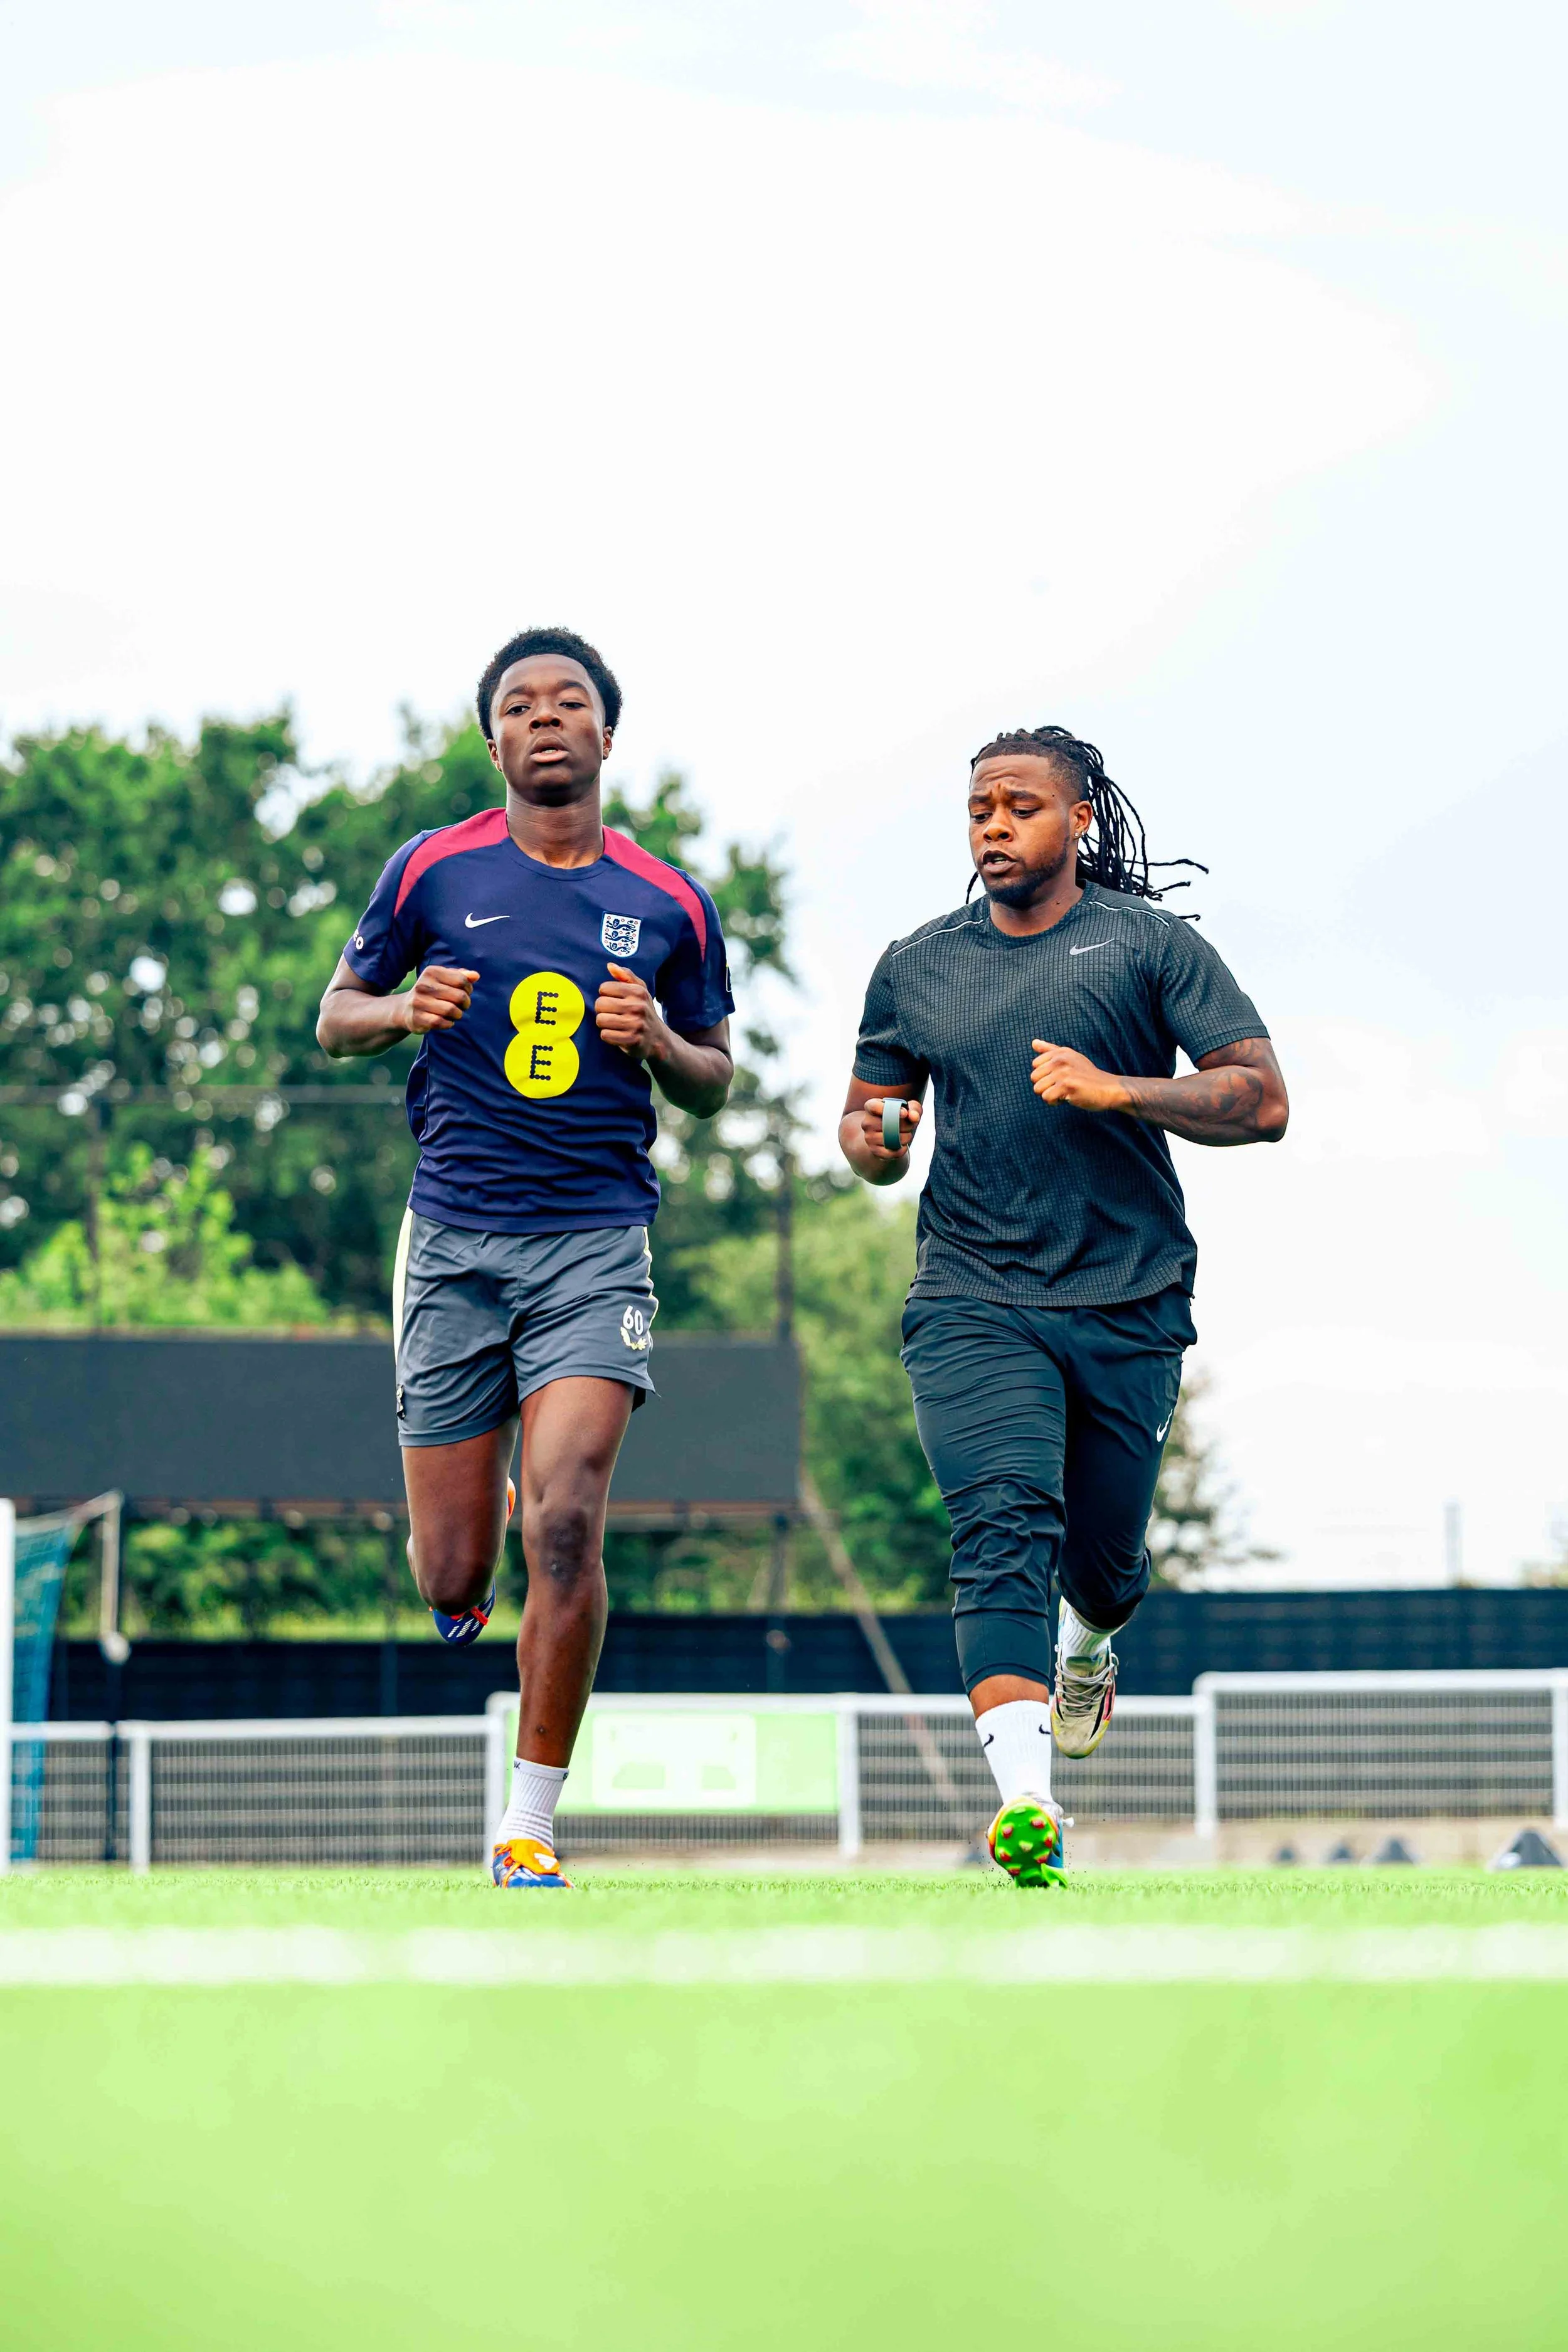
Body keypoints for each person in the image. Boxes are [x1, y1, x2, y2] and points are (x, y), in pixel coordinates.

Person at [317, 627, 734, 1888]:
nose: (544, 718)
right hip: (450, 1246)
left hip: (595, 1247)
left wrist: (661, 1039)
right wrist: (401, 1011)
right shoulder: (429, 872)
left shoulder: (669, 902)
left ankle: (529, 1827)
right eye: (518, 704)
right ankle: (470, 1521)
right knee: (454, 1576)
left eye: (569, 703)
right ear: (491, 739)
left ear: (608, 736)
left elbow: (717, 1076)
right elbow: (333, 1017)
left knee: (566, 1523)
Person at [839, 726, 1287, 1885]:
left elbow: (1263, 1098)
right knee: (998, 1528)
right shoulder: (918, 963)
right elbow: (868, 1123)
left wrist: (1119, 1089)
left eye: (1021, 805)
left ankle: (1092, 1645)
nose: (994, 824)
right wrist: (878, 1142)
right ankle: (1025, 1803)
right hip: (971, 1294)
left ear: (1079, 818)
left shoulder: (1147, 946)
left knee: (1101, 1561)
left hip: (1128, 1294)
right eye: (979, 806)